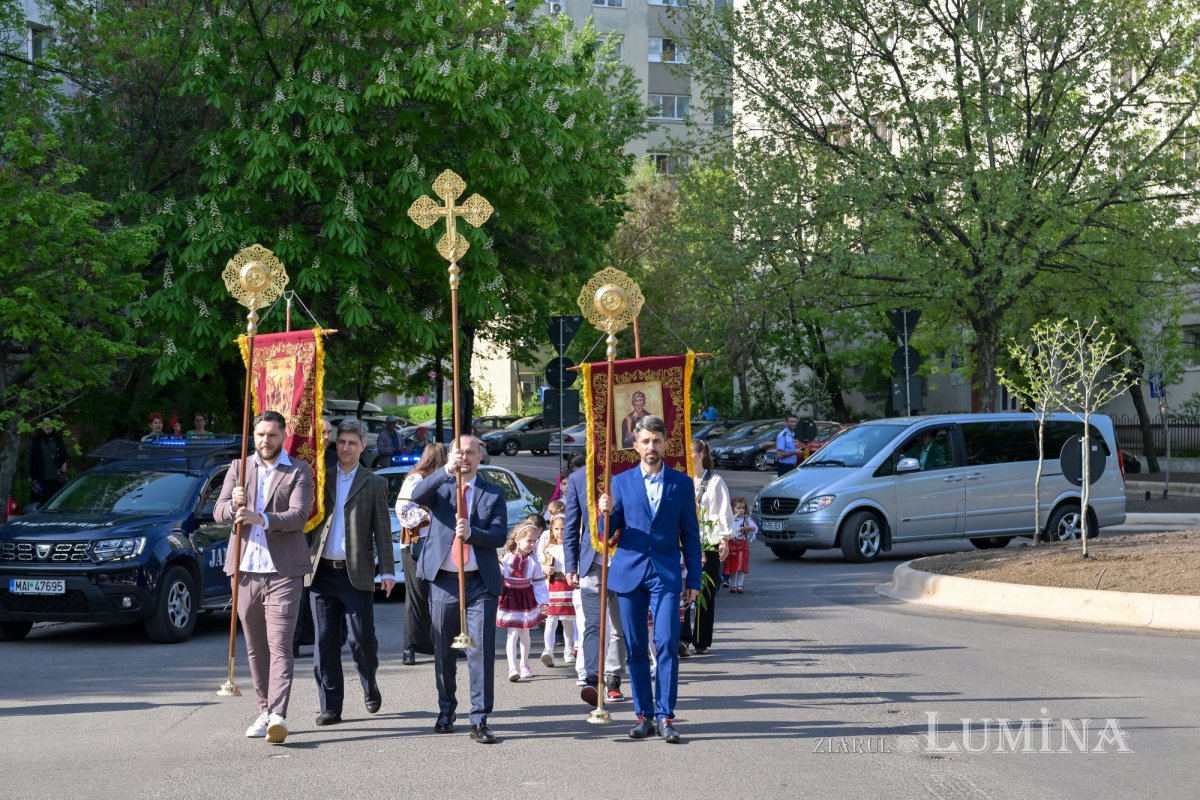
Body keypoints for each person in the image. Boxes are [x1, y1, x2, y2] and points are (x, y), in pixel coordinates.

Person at [596, 415, 701, 744]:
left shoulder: (681, 483)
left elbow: (691, 535)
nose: (651, 447)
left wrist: (694, 578)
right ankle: (644, 715)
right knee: (636, 647)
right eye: (645, 441)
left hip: (667, 573)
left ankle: (666, 716)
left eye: (656, 441)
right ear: (635, 445)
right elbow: (606, 534)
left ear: (665, 443)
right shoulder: (620, 482)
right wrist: (605, 512)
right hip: (629, 572)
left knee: (667, 642)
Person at [214, 410, 314, 745]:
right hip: (244, 572)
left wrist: (261, 518)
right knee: (256, 648)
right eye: (259, 435)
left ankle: (278, 715)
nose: (265, 441)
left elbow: (299, 516)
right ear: (253, 436)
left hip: (283, 571)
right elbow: (219, 512)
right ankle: (263, 709)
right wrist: (233, 507)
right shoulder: (239, 468)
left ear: (283, 435)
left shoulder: (299, 470)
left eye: (271, 435)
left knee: (280, 644)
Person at [409, 434, 507, 745]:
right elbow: (416, 495)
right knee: (443, 652)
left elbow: (500, 536)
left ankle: (479, 718)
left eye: (469, 453)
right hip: (444, 581)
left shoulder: (493, 493)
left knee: (480, 651)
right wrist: (443, 471)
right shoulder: (440, 487)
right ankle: (446, 710)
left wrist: (473, 532)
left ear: (480, 457)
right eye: (458, 453)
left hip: (479, 582)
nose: (464, 458)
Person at [306, 419, 396, 727]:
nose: (345, 448)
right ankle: (331, 705)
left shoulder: (375, 484)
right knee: (325, 642)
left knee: (362, 641)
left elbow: (382, 531)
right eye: (341, 442)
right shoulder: (321, 479)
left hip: (355, 574)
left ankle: (369, 682)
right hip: (321, 574)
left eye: (352, 443)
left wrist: (387, 570)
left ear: (363, 446)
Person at [563, 454, 627, 707]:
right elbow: (571, 525)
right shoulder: (579, 478)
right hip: (592, 564)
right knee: (593, 624)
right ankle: (592, 678)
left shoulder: (628, 473)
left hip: (624, 563)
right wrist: (570, 564)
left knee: (620, 628)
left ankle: (613, 677)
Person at [395, 442, 448, 665]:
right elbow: (403, 510)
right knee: (416, 598)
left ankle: (442, 643)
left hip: (439, 545)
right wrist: (430, 515)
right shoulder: (416, 479)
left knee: (443, 598)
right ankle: (410, 647)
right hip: (416, 544)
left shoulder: (446, 479)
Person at [680, 439, 732, 656]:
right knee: (682, 590)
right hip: (684, 541)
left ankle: (701, 640)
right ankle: (682, 637)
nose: (688, 456)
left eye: (691, 452)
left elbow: (723, 510)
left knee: (704, 591)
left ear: (701, 455)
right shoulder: (681, 479)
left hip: (707, 541)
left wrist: (725, 539)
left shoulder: (715, 481)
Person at [497, 521, 549, 681]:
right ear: (518, 539)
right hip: (510, 598)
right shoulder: (506, 558)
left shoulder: (533, 562)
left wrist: (543, 601)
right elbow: (498, 576)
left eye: (534, 541)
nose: (532, 544)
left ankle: (524, 664)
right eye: (529, 540)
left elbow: (539, 583)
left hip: (525, 598)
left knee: (525, 632)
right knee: (512, 633)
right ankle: (512, 668)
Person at [539, 510, 576, 668]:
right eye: (557, 529)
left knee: (568, 621)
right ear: (551, 530)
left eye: (563, 528)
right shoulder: (549, 549)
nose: (560, 532)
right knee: (551, 619)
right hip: (553, 585)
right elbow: (540, 564)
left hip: (569, 585)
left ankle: (568, 649)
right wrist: (545, 568)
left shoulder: (574, 546)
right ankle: (548, 650)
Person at [26, 418, 69, 504]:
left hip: (57, 478)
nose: (48, 426)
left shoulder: (58, 440)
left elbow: (65, 454)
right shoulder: (36, 441)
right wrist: (29, 475)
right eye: (46, 424)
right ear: (41, 426)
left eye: (50, 424)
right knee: (41, 502)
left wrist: (65, 463)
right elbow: (29, 458)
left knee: (55, 502)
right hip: (41, 478)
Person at [724, 497, 757, 594]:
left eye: (743, 508)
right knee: (733, 566)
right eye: (738, 508)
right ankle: (733, 585)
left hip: (742, 544)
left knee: (741, 565)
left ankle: (740, 585)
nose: (741, 510)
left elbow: (754, 527)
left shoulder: (746, 519)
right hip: (732, 544)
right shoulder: (730, 519)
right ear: (733, 508)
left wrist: (747, 527)